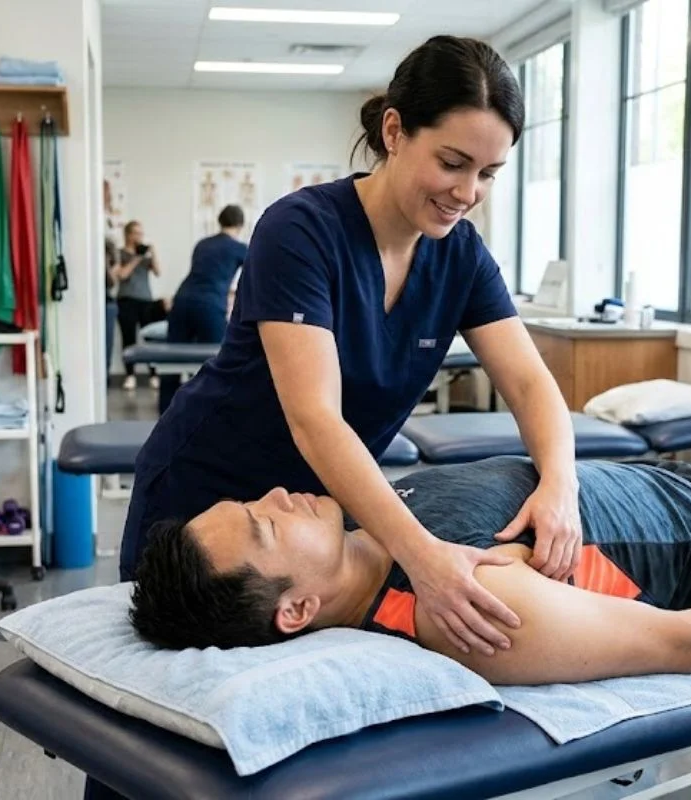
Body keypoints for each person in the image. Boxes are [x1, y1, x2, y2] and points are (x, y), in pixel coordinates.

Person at [120, 35, 582, 665]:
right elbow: (316, 419)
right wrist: (423, 558)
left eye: (488, 173)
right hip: (211, 500)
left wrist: (560, 483)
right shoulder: (301, 230)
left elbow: (530, 384)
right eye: (452, 162)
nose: (468, 191)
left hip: (316, 525)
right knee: (164, 705)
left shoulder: (461, 255)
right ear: (394, 130)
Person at [131, 456, 691, 685]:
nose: (276, 496)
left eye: (251, 503)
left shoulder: (378, 522)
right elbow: (685, 642)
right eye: (266, 526)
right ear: (296, 609)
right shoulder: (463, 608)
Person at [158, 204, 248, 414]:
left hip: (181, 301)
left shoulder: (202, 244)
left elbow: (206, 273)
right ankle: (210, 415)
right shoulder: (239, 248)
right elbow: (255, 276)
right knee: (217, 364)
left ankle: (165, 415)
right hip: (208, 305)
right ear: (240, 225)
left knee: (171, 360)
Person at [116, 220, 167, 391]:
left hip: (145, 301)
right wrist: (136, 258)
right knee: (128, 338)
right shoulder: (120, 253)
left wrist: (153, 253)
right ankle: (130, 375)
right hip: (126, 300)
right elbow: (121, 275)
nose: (139, 237)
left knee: (150, 338)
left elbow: (158, 272)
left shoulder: (145, 255)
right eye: (136, 233)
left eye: (141, 233)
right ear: (128, 235)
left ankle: (153, 374)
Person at [104, 238, 119, 382]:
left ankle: (105, 376)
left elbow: (112, 283)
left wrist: (106, 264)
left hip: (107, 303)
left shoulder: (113, 263)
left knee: (107, 343)